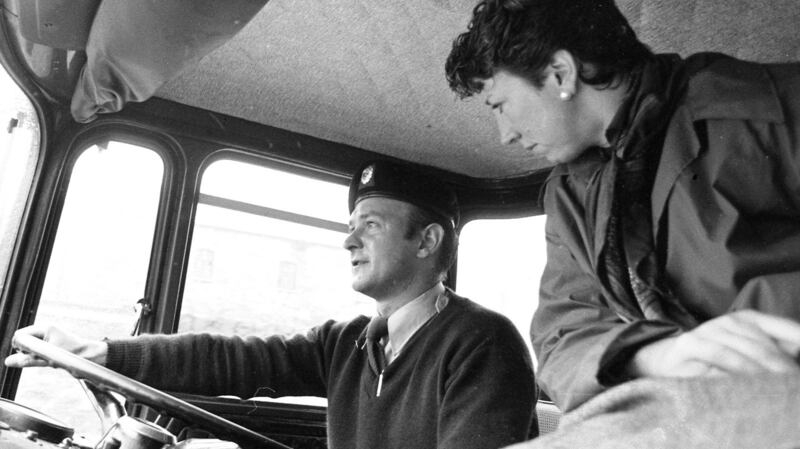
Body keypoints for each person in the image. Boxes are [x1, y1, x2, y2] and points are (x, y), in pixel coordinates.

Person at [445, 0, 800, 445]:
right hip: (681, 405)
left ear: (561, 74)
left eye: (499, 105)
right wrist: (661, 355)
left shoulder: (761, 104)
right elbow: (561, 334)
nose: (505, 135)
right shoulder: (567, 195)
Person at [6, 160, 538, 449]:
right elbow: (234, 358)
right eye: (350, 227)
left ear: (427, 242)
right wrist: (96, 353)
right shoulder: (349, 342)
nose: (348, 241)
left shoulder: (482, 344)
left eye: (370, 226)